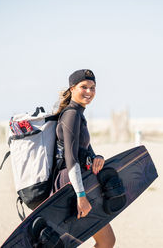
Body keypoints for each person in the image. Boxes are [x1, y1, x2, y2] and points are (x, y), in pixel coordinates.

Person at [54, 69, 116, 248]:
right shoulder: (71, 114)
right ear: (72, 88)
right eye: (84, 87)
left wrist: (97, 157)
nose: (89, 92)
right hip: (70, 185)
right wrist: (81, 196)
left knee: (106, 240)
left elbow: (84, 150)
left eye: (93, 87)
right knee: (106, 240)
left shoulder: (78, 114)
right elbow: (71, 158)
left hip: (78, 181)